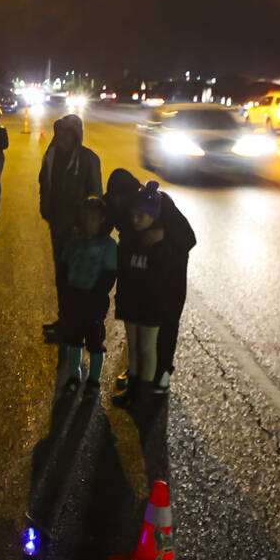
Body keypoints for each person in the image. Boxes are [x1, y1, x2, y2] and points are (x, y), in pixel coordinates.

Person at [104, 168, 196, 393]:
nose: (117, 202)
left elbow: (188, 238)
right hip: (141, 273)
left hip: (171, 272)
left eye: (121, 197)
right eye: (114, 197)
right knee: (140, 330)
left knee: (167, 321)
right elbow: (101, 223)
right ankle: (137, 374)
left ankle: (162, 371)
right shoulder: (117, 205)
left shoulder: (161, 204)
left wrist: (163, 237)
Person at [38, 114, 103, 334]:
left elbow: (95, 198)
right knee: (61, 277)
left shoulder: (89, 159)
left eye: (68, 132)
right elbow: (44, 184)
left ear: (76, 136)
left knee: (77, 280)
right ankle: (64, 319)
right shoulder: (51, 156)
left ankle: (76, 325)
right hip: (58, 227)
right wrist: (46, 210)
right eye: (60, 132)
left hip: (78, 233)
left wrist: (84, 227)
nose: (62, 136)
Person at [110, 181, 169, 407]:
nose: (135, 220)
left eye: (141, 216)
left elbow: (162, 280)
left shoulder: (160, 245)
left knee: (147, 348)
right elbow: (123, 271)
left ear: (153, 216)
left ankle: (144, 393)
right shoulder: (129, 240)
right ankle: (132, 390)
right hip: (131, 302)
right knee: (133, 347)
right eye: (133, 215)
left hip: (150, 306)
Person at [57, 197, 117, 395]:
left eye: (93, 218)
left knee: (95, 342)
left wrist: (96, 298)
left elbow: (108, 277)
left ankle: (93, 381)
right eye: (85, 218)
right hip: (74, 298)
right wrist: (65, 294)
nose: (88, 223)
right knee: (74, 339)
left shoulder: (108, 245)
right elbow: (64, 267)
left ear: (102, 219)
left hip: (94, 302)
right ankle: (74, 377)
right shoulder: (74, 241)